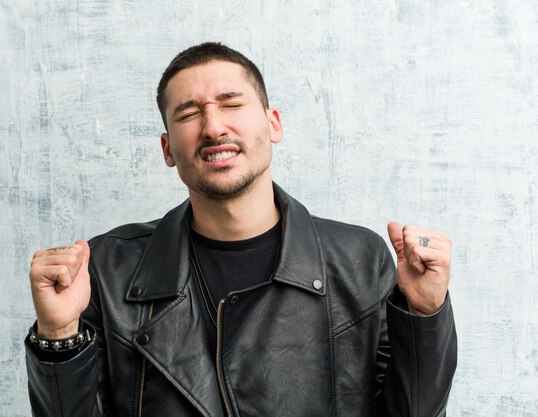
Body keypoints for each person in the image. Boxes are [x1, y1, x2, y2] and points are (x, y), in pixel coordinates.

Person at [25, 42, 457, 417]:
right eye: (189, 114)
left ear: (273, 125)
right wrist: (58, 335)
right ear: (167, 149)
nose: (213, 127)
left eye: (231, 104)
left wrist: (424, 316)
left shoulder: (361, 259)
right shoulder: (107, 269)